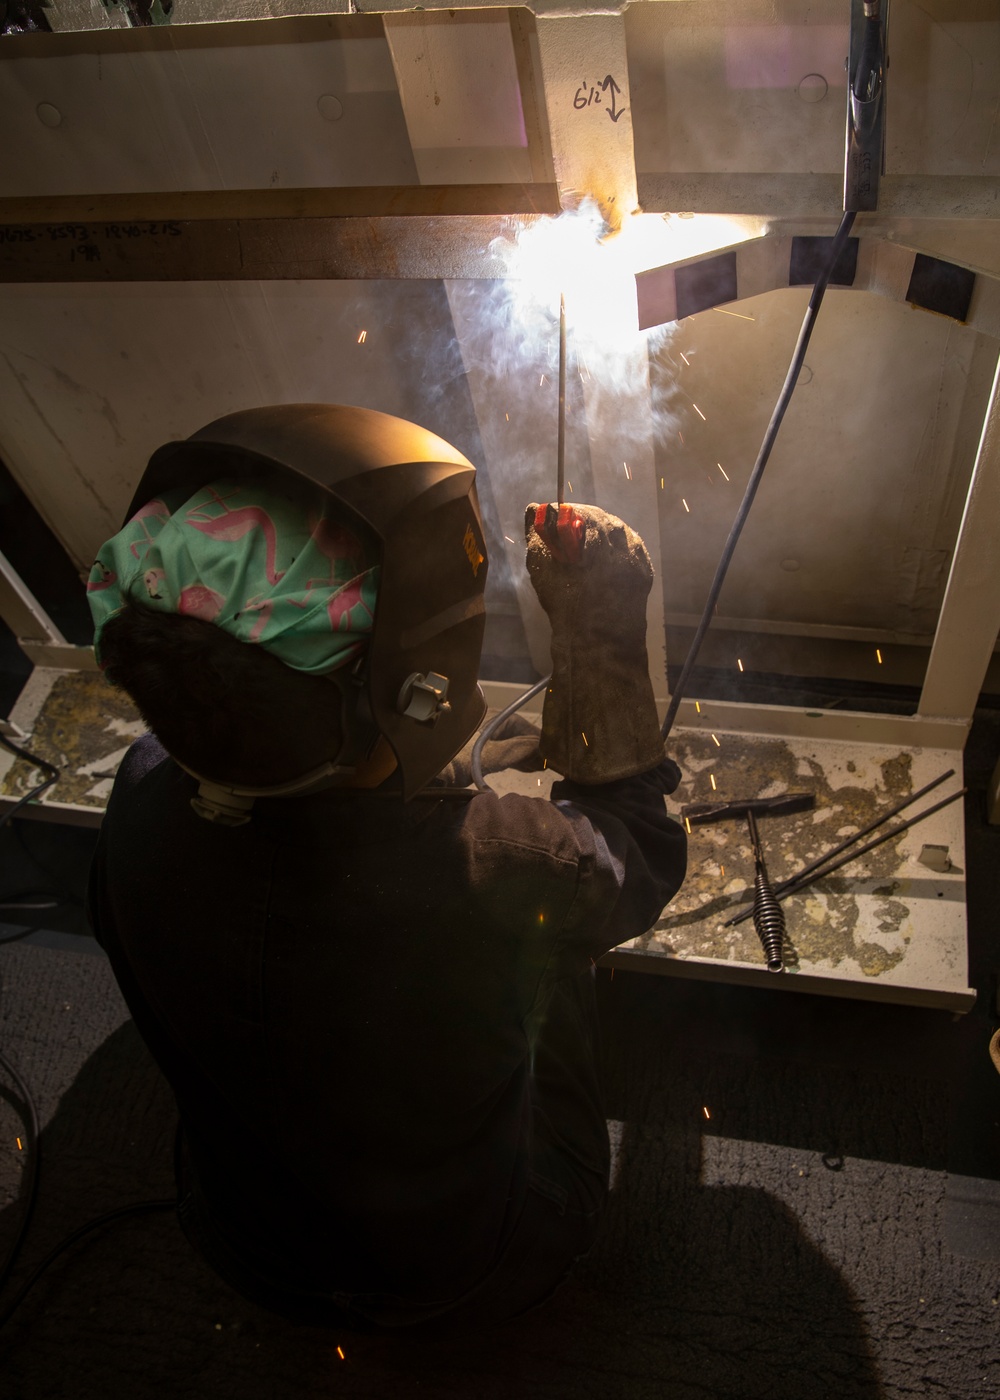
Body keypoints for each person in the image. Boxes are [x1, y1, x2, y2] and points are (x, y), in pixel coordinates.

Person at [85, 403, 686, 1332]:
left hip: (238, 1241)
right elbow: (639, 847)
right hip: (469, 1271)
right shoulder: (510, 865)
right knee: (553, 950)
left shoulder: (135, 797)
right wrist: (603, 635)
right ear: (407, 674)